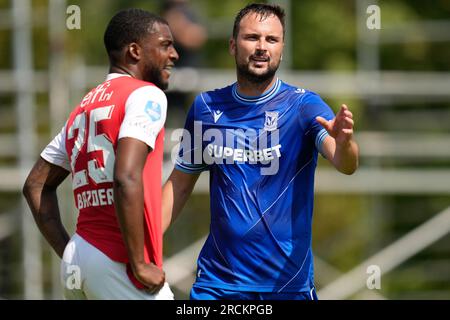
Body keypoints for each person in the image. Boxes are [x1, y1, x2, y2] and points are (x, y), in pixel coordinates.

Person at [162, 3, 359, 300]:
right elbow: (178, 185)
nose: (262, 47)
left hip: (286, 286)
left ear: (281, 48)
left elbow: (345, 164)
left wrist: (345, 143)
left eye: (271, 40)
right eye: (252, 37)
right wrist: (142, 246)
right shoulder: (206, 107)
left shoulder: (304, 106)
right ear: (232, 45)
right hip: (218, 286)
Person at [22, 8, 179, 299]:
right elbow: (126, 176)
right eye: (165, 45)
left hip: (79, 257)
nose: (174, 55)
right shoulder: (145, 94)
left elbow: (35, 184)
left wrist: (69, 252)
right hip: (118, 261)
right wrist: (139, 263)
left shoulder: (83, 108)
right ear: (134, 51)